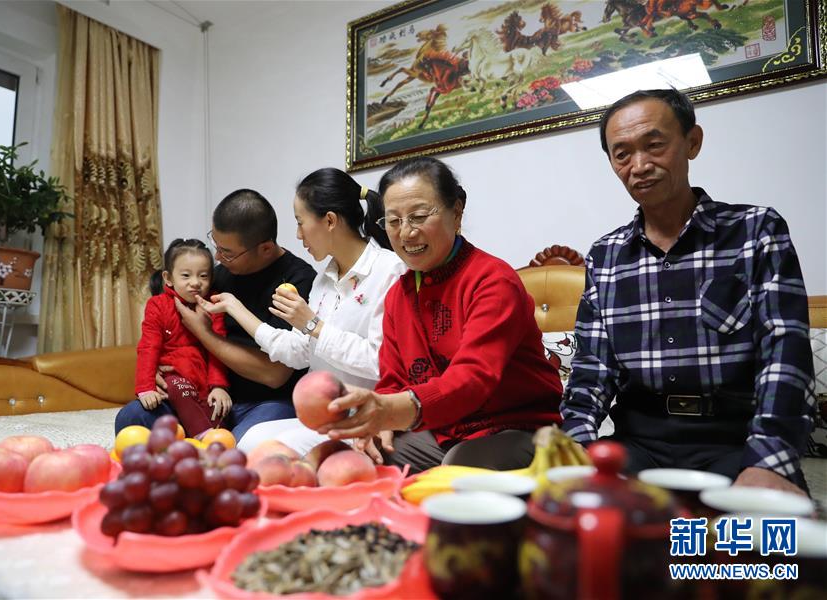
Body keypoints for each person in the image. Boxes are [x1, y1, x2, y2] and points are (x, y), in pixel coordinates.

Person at [559, 89, 815, 495]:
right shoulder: (605, 256)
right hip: (638, 444)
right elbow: (591, 373)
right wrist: (576, 449)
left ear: (692, 142)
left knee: (769, 546)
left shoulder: (756, 231)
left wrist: (770, 458)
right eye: (621, 154)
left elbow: (785, 352)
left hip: (737, 440)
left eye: (654, 145)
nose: (639, 165)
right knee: (575, 533)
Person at [315, 156, 564, 473]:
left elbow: (472, 380)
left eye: (418, 217)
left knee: (461, 466)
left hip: (517, 428)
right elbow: (392, 381)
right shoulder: (397, 296)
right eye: (393, 222)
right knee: (353, 462)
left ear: (457, 211)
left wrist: (394, 410)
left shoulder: (492, 281)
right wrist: (381, 423)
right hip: (444, 430)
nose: (406, 234)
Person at [200, 168, 406, 458]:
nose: (297, 235)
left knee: (255, 454)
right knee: (246, 442)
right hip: (321, 416)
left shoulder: (390, 270)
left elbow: (380, 361)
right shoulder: (324, 280)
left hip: (363, 418)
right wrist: (236, 307)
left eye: (300, 222)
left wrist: (313, 325)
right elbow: (297, 352)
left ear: (330, 221)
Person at [115, 189, 317, 441]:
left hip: (266, 401)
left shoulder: (299, 280)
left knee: (243, 446)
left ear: (265, 248)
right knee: (132, 418)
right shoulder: (219, 275)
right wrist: (156, 371)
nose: (218, 258)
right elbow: (168, 330)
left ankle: (203, 444)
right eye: (216, 245)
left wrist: (203, 332)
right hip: (203, 394)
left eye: (228, 252)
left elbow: (274, 374)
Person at [130, 239, 230, 437]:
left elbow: (218, 350)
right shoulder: (157, 305)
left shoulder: (214, 305)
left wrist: (219, 387)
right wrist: (146, 386)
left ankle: (216, 434)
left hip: (202, 379)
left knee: (219, 406)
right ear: (168, 278)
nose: (195, 282)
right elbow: (148, 347)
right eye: (186, 275)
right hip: (173, 377)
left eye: (203, 276)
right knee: (175, 386)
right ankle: (203, 435)